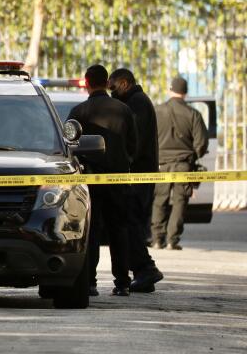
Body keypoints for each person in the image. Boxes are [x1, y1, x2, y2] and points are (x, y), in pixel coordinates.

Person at [68, 64, 136, 297]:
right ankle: (122, 283)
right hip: (118, 180)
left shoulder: (79, 112)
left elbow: (69, 147)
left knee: (91, 231)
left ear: (86, 82)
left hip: (90, 181)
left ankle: (90, 282)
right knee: (119, 230)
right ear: (107, 83)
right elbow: (132, 146)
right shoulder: (123, 110)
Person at [108, 68, 164, 293]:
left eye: (113, 88)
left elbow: (134, 142)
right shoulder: (136, 102)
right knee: (131, 224)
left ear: (123, 83)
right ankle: (143, 273)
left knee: (131, 224)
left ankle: (146, 268)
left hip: (138, 175)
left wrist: (122, 161)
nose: (111, 93)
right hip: (138, 174)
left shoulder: (137, 103)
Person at [152, 76, 209, 250]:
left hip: (161, 164)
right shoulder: (194, 114)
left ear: (170, 90)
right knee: (180, 201)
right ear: (185, 93)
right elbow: (201, 142)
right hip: (184, 165)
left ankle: (156, 239)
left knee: (159, 200)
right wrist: (193, 157)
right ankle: (172, 240)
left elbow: (147, 137)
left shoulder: (157, 111)